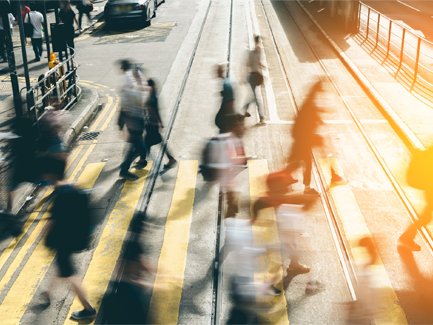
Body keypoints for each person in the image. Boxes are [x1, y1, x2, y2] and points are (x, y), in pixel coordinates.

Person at [44, 175, 96, 320]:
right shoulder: (77, 190)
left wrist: (44, 236)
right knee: (61, 265)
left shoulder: (61, 196)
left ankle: (88, 308)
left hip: (64, 240)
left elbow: (51, 221)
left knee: (71, 275)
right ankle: (48, 293)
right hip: (74, 239)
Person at [285, 81, 345, 196]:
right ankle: (312, 185)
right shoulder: (310, 105)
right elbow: (315, 110)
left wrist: (319, 119)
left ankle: (285, 178)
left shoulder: (309, 104)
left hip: (302, 137)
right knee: (309, 160)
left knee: (298, 159)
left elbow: (315, 111)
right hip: (305, 138)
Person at [399, 146, 433, 251]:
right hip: (429, 183)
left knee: (427, 215)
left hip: (428, 183)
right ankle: (406, 238)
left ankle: (406, 238)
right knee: (427, 215)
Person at [118, 64, 149, 180]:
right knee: (140, 148)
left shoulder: (135, 88)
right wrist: (122, 127)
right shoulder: (132, 90)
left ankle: (125, 168)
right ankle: (124, 169)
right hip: (134, 123)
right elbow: (125, 109)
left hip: (137, 123)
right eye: (141, 77)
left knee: (135, 148)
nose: (143, 79)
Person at [145, 78, 177, 169]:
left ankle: (171, 158)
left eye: (149, 86)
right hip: (151, 123)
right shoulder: (151, 95)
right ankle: (142, 159)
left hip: (152, 124)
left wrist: (159, 122)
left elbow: (156, 111)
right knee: (150, 143)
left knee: (150, 143)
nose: (148, 88)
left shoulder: (153, 97)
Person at [243, 35, 265, 124]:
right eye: (257, 42)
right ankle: (262, 117)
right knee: (256, 98)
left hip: (257, 76)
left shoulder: (259, 51)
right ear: (255, 42)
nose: (258, 44)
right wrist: (244, 77)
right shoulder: (251, 53)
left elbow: (259, 62)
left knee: (254, 97)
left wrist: (265, 66)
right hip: (252, 77)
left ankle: (243, 109)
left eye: (259, 42)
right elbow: (247, 65)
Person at [215, 63, 236, 133]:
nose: (216, 73)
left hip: (227, 117)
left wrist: (228, 117)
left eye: (217, 71)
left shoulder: (225, 84)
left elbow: (229, 103)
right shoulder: (226, 81)